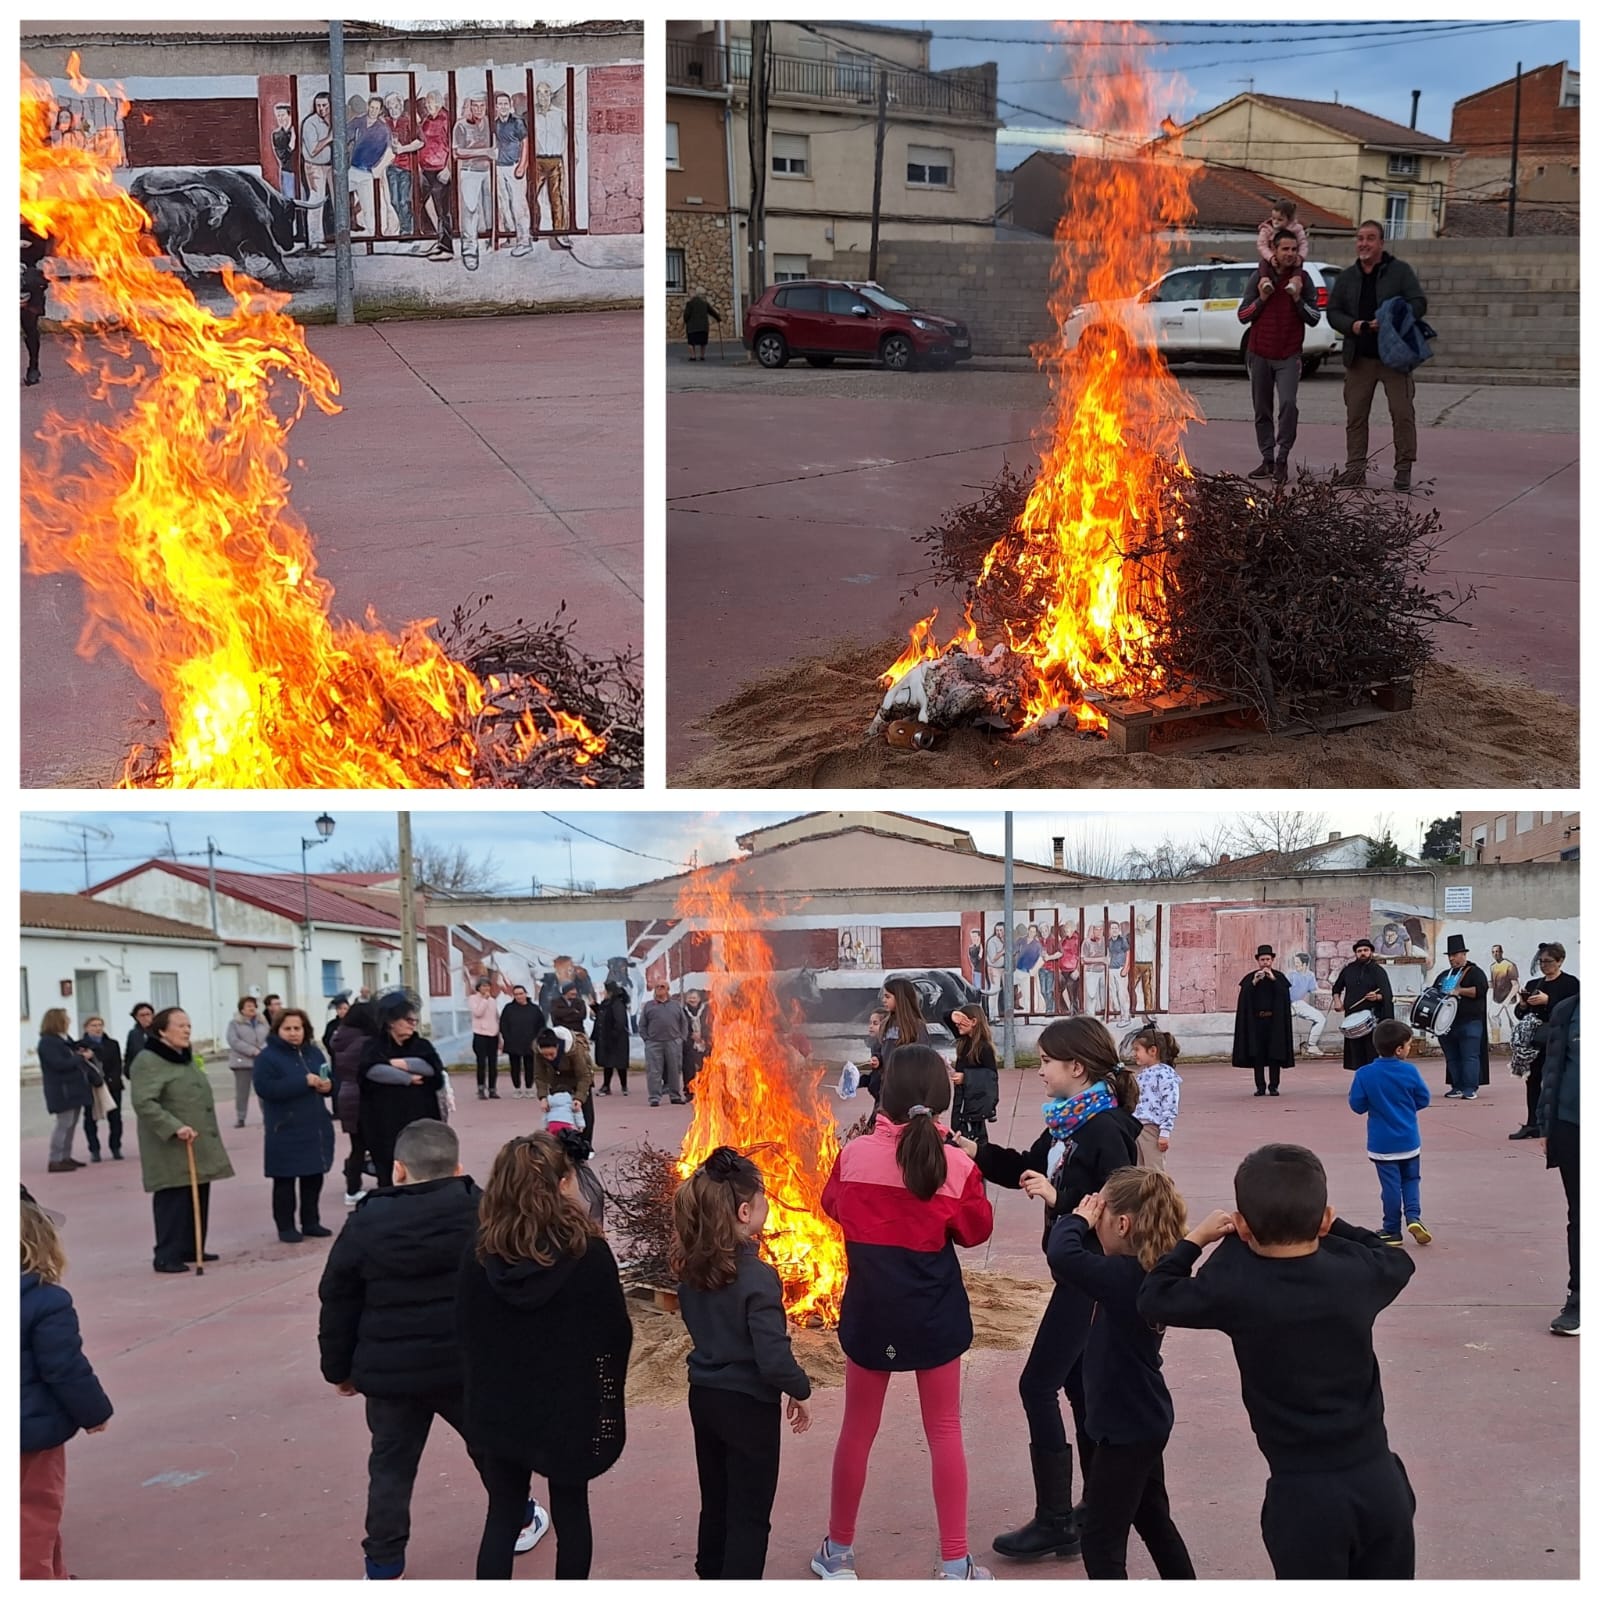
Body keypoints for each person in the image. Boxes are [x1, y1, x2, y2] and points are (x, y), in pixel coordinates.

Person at [1138, 1144, 1418, 1579]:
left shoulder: (1234, 1283)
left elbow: (1155, 1296)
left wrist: (1197, 1240)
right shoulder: (1358, 1273)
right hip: (1379, 1482)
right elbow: (1395, 1259)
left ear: (1244, 1226)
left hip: (1303, 1494)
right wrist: (1332, 1224)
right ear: (1323, 1219)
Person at [319, 1121, 549, 1579]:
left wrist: (338, 1369)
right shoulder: (483, 1212)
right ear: (458, 1166)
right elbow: (512, 1288)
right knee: (490, 1447)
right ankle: (521, 1517)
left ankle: (383, 1564)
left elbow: (337, 1298)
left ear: (398, 1170)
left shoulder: (365, 1222)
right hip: (465, 1365)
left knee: (390, 1466)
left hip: (389, 1374)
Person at [957, 1016, 1142, 1562]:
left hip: (1091, 1280)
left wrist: (1060, 1202)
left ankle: (1057, 1520)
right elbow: (1025, 1167)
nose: (1039, 1072)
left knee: (1037, 1386)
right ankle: (1094, 1510)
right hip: (1075, 1273)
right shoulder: (1069, 1123)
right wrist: (974, 1151)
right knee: (1081, 1392)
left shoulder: (1106, 1129)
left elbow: (1118, 1212)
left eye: (1044, 1062)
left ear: (1076, 1068)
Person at [814, 1046, 994, 1580]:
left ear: (883, 1095)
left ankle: (839, 1552)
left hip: (870, 1311)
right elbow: (975, 1231)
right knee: (944, 1430)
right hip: (933, 1315)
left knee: (856, 1431)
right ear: (944, 1099)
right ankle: (955, 1562)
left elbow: (831, 1206)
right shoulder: (956, 1165)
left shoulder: (853, 1156)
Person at [458, 1132, 633, 1580]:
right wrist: (603, 1394)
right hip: (567, 1406)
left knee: (502, 1514)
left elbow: (466, 1330)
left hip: (500, 1407)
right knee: (572, 1510)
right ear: (560, 1185)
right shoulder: (588, 1253)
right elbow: (615, 1333)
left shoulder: (480, 1253)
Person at [1047, 1171, 1196, 1580]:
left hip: (1126, 1428)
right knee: (1152, 1519)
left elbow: (1062, 1254)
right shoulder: (1149, 1272)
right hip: (1139, 1418)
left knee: (1100, 1540)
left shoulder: (1125, 1278)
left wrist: (1077, 1218)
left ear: (1123, 1224)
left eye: (1102, 1212)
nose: (1096, 1219)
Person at [673, 1147, 813, 1579]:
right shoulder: (757, 1276)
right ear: (745, 1210)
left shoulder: (692, 1267)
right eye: (765, 1199)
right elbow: (771, 1355)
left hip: (705, 1397)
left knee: (715, 1497)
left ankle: (710, 1573)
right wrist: (800, 1387)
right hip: (748, 1407)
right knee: (750, 1511)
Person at [21, 1199, 114, 1579]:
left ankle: (53, 1574)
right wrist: (95, 1413)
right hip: (30, 1431)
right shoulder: (45, 1301)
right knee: (35, 1510)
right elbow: (64, 1368)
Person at [129, 1008, 234, 1273]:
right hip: (170, 1143)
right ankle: (166, 1254)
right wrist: (174, 1127)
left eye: (189, 1025)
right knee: (173, 1197)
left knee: (197, 1193)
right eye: (180, 1025)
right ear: (162, 1030)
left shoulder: (184, 1057)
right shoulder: (148, 1060)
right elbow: (144, 1102)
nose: (187, 1030)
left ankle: (192, 1246)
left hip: (195, 1140)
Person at [1327, 219, 1428, 492]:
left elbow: (1419, 303)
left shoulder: (1400, 272)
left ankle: (1404, 468)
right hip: (1359, 357)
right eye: (1360, 238)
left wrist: (1394, 318)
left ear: (1381, 243)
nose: (1364, 243)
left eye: (1370, 238)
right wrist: (1354, 326)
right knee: (1356, 416)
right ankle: (1355, 469)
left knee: (1402, 413)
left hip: (1395, 358)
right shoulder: (1347, 277)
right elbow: (1333, 312)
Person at [1238, 230, 1319, 485]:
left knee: (1288, 405)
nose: (1290, 254)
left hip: (1288, 355)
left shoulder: (1303, 279)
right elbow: (1242, 316)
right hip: (1259, 353)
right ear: (1274, 249)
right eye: (1285, 249)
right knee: (1262, 409)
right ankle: (1267, 459)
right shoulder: (1259, 277)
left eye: (1294, 250)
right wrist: (1262, 299)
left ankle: (1282, 459)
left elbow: (1314, 318)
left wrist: (1296, 298)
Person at [253, 1007, 336, 1244]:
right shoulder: (267, 1057)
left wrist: (328, 1086)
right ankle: (286, 1226)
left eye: (297, 1028)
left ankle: (311, 1221)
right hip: (285, 1127)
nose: (293, 1033)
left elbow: (330, 1077)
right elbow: (266, 1089)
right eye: (287, 1029)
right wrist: (302, 1082)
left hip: (315, 1125)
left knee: (313, 1176)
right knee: (285, 1180)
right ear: (277, 1030)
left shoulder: (314, 1053)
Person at [1348, 1019, 1433, 1247]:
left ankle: (1392, 1229)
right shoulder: (1409, 1071)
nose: (1409, 1049)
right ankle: (1414, 1217)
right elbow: (1424, 1098)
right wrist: (1405, 1108)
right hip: (1409, 1139)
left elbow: (1357, 1105)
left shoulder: (1364, 1074)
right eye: (1408, 1045)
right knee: (1412, 1179)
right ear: (1399, 1049)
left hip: (1382, 1143)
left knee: (1390, 1186)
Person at [358, 992, 444, 1192]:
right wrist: (407, 1078)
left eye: (414, 1019)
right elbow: (371, 1072)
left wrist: (395, 1063)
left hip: (420, 1121)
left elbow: (431, 1070)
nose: (413, 1023)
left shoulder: (422, 1045)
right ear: (391, 1022)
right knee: (388, 1176)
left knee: (422, 1172)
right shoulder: (373, 1046)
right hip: (384, 1124)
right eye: (407, 1019)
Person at [1535, 994, 1579, 1335]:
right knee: (1580, 1213)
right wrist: (1547, 1122)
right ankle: (1579, 1296)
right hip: (1571, 1125)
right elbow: (1553, 1070)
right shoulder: (1568, 1011)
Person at [1510, 942, 1579, 1141]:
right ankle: (1533, 1123)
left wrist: (1548, 1001)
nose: (1543, 966)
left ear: (1560, 961)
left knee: (1555, 1081)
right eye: (1541, 962)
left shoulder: (1571, 984)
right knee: (1533, 1081)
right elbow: (1521, 1015)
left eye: (1548, 962)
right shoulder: (1534, 984)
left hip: (1559, 1040)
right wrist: (1523, 1004)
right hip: (1536, 1041)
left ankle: (1555, 1123)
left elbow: (1572, 1010)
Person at [330, 999, 377, 1208]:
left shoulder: (340, 1037)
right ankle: (357, 1186)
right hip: (363, 1095)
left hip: (346, 1093)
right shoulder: (364, 1041)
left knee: (357, 1146)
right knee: (374, 1144)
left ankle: (352, 1186)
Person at [1233, 945, 1294, 1097]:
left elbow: (1284, 996)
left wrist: (1273, 980)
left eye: (1268, 959)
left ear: (1272, 960)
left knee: (1275, 1054)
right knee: (1257, 1055)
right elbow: (1244, 998)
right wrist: (1254, 982)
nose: (1265, 963)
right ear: (1258, 961)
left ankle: (1274, 1086)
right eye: (1262, 960)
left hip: (1275, 1023)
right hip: (1256, 1023)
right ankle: (1260, 1086)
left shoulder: (1279, 978)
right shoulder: (1250, 978)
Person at [37, 1009, 93, 1174]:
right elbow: (59, 1064)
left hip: (74, 1088)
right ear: (57, 1021)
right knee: (63, 1124)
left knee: (72, 1125)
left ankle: (65, 1157)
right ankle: (55, 1159)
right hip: (62, 1090)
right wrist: (81, 1058)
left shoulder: (64, 1039)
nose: (68, 1020)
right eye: (65, 1018)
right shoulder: (48, 1042)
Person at [1432, 936, 1488, 1101]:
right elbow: (1435, 993)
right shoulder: (1445, 975)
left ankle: (1470, 1088)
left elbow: (1480, 990)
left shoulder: (1475, 972)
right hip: (1447, 1023)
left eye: (1455, 954)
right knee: (1452, 1057)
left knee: (1469, 1056)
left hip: (1470, 1021)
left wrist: (1459, 991)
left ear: (1464, 954)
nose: (1451, 958)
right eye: (1450, 955)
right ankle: (1457, 1086)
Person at [1330, 939, 1394, 1074]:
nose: (1362, 953)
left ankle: (1372, 1083)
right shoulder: (1348, 970)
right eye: (1359, 951)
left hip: (1372, 1017)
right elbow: (1337, 987)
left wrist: (1377, 997)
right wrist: (1337, 1001)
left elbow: (1387, 994)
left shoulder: (1378, 971)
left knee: (1371, 1052)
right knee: (1356, 1053)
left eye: (1365, 950)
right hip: (1352, 1016)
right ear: (1356, 953)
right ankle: (1360, 1082)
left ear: (1371, 952)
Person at [944, 1002, 999, 1146]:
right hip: (962, 1100)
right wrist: (955, 1015)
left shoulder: (984, 1048)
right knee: (959, 1133)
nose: (957, 1025)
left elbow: (991, 1077)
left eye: (961, 1022)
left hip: (974, 1103)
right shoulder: (964, 1041)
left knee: (972, 1139)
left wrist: (966, 1077)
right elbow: (945, 1016)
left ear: (973, 1021)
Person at [1129, 1026, 1182, 1171]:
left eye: (1137, 1049)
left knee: (1154, 1169)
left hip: (1152, 1129)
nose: (1134, 1054)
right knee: (1138, 1170)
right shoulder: (1142, 1074)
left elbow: (1170, 1105)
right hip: (1137, 1127)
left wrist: (1165, 1132)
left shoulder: (1166, 1075)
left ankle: (1161, 1193)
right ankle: (1142, 1194)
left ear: (1152, 1051)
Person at [452, 95, 493, 271]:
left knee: (491, 209)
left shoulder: (489, 122)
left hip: (488, 171)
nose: (478, 109)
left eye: (481, 105)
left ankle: (493, 240)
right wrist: (485, 151)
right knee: (470, 210)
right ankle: (469, 251)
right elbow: (457, 152)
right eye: (474, 106)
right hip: (470, 172)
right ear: (469, 107)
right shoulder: (460, 125)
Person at [490, 92, 533, 257]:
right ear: (496, 107)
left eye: (505, 104)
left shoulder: (517, 122)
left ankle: (524, 240)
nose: (503, 107)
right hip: (500, 167)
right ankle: (511, 237)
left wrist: (522, 165)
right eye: (500, 104)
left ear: (510, 105)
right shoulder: (495, 124)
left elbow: (525, 143)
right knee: (503, 204)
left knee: (518, 204)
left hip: (514, 167)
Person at [78, 1015, 126, 1163]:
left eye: (100, 1025)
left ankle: (115, 1147)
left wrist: (111, 1079)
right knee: (90, 1119)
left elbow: (117, 1064)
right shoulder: (80, 1046)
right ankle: (94, 1150)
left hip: (111, 1085)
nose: (97, 1028)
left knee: (115, 1118)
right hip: (91, 1087)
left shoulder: (112, 1044)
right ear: (86, 1028)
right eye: (93, 1025)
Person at [640, 980, 689, 1106]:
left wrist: (681, 1038)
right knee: (654, 1071)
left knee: (674, 1069)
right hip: (654, 1043)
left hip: (673, 1042)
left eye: (662, 987)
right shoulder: (649, 1006)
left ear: (667, 989)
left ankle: (675, 1096)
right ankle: (654, 1098)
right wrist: (647, 1039)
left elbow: (683, 1023)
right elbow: (642, 1025)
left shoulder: (675, 1005)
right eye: (657, 987)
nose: (659, 989)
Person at [226, 995, 270, 1129]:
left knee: (263, 1090)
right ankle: (241, 1117)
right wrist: (252, 1050)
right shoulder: (234, 1023)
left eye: (253, 1006)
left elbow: (269, 1037)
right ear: (242, 1010)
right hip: (242, 1062)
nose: (251, 1008)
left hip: (261, 1061)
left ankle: (267, 1116)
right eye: (248, 1006)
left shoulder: (262, 1022)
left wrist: (262, 1050)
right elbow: (233, 1041)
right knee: (242, 1092)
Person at [382, 91, 422, 235]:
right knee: (394, 200)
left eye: (396, 106)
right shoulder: (384, 122)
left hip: (406, 166)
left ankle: (407, 229)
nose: (394, 110)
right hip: (390, 166)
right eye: (391, 107)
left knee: (404, 200)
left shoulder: (408, 121)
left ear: (401, 106)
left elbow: (420, 141)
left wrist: (403, 149)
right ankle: (403, 225)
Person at [300, 91, 335, 249]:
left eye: (324, 105)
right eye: (318, 106)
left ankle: (337, 236)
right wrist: (329, 138)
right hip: (314, 166)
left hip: (332, 166)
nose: (321, 109)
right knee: (316, 200)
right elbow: (313, 150)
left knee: (338, 201)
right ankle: (315, 241)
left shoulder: (334, 120)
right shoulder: (310, 123)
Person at [499, 983, 545, 1100]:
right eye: (516, 995)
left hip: (530, 1043)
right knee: (515, 1066)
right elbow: (503, 1025)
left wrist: (537, 1039)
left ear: (525, 994)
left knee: (530, 1066)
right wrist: (507, 1037)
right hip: (513, 1043)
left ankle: (529, 1088)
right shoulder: (508, 1008)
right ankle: (517, 1088)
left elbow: (541, 1025)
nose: (519, 996)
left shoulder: (534, 1009)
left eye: (521, 994)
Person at [592, 979, 631, 1096]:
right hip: (607, 1038)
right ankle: (606, 1086)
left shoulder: (617, 1004)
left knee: (620, 1064)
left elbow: (620, 1022)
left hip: (617, 1039)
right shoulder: (607, 1003)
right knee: (607, 1063)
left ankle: (624, 1086)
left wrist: (613, 1035)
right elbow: (602, 1013)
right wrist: (595, 1007)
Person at [1284, 954, 1327, 1059]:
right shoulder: (1291, 975)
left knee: (1320, 1018)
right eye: (1295, 963)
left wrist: (1331, 992)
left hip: (1298, 1003)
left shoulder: (1310, 975)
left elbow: (1314, 990)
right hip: (1287, 1004)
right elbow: (1283, 991)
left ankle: (1311, 1045)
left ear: (1305, 964)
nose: (1296, 965)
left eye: (1298, 963)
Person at [22, 219, 47, 386]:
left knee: (29, 327)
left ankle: (33, 367)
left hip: (27, 283)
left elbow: (40, 250)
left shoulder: (35, 221)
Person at [468, 978, 502, 1102]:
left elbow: (495, 1017)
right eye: (483, 986)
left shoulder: (493, 1000)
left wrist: (498, 1034)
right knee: (481, 1063)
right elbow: (478, 1013)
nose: (486, 988)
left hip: (492, 1035)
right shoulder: (473, 999)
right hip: (480, 1034)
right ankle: (481, 1088)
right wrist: (484, 1000)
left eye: (488, 986)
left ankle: (492, 1088)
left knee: (493, 1063)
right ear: (478, 988)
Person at [1255, 197, 1308, 267]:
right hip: (1272, 258)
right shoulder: (1266, 229)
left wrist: (1300, 257)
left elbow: (1303, 244)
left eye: (1280, 220)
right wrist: (1270, 257)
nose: (1275, 222)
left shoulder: (1296, 229)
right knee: (1263, 264)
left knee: (1297, 266)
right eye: (1273, 218)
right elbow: (1262, 245)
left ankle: (1296, 276)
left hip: (1291, 259)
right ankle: (1264, 277)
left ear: (1289, 219)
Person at [1488, 944, 1521, 1046]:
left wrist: (1508, 999)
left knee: (1514, 1022)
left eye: (1497, 951)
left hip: (1510, 1000)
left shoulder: (1509, 965)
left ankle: (1518, 1044)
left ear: (1501, 952)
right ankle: (1495, 1042)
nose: (1495, 954)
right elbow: (1493, 983)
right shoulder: (1492, 967)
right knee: (1492, 1016)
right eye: (1493, 952)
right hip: (1497, 999)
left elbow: (1515, 985)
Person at [683, 988, 712, 1096]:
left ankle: (706, 1091)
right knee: (689, 1069)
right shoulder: (683, 1011)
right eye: (690, 998)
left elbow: (711, 1024)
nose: (692, 1000)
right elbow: (681, 1027)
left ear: (699, 999)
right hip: (690, 1044)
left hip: (706, 1043)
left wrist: (702, 1036)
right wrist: (692, 1036)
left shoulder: (708, 1010)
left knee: (706, 1067)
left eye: (694, 997)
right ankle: (689, 1092)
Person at [683, 288, 722, 361]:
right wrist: (718, 318)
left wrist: (685, 321)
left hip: (692, 327)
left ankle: (693, 356)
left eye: (689, 295)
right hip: (703, 327)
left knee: (691, 343)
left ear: (691, 296)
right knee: (703, 342)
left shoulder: (689, 304)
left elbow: (686, 315)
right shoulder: (705, 303)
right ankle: (702, 356)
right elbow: (712, 312)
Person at [124, 1002, 154, 1077]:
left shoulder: (159, 1032)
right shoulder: (133, 1034)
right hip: (139, 1074)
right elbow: (129, 1054)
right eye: (142, 1015)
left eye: (148, 1014)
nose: (145, 1018)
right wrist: (128, 1071)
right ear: (136, 1017)